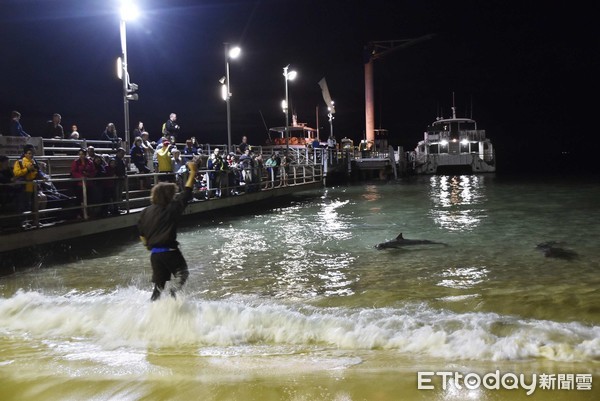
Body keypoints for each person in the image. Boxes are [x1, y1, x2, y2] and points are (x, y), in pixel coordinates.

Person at [138, 160, 198, 301]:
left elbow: (141, 234)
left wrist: (148, 245)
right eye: (172, 193)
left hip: (155, 255)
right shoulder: (171, 208)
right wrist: (193, 172)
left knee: (158, 287)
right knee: (182, 275)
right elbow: (187, 193)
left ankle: (152, 310)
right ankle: (172, 299)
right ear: (168, 196)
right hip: (170, 252)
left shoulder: (145, 211)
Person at [12, 145, 40, 214]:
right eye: (29, 153)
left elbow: (37, 173)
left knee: (33, 205)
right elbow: (16, 173)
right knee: (23, 205)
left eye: (32, 153)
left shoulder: (34, 162)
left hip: (33, 186)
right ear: (25, 153)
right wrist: (27, 169)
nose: (31, 155)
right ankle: (23, 222)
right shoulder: (19, 162)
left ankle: (33, 220)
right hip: (23, 187)